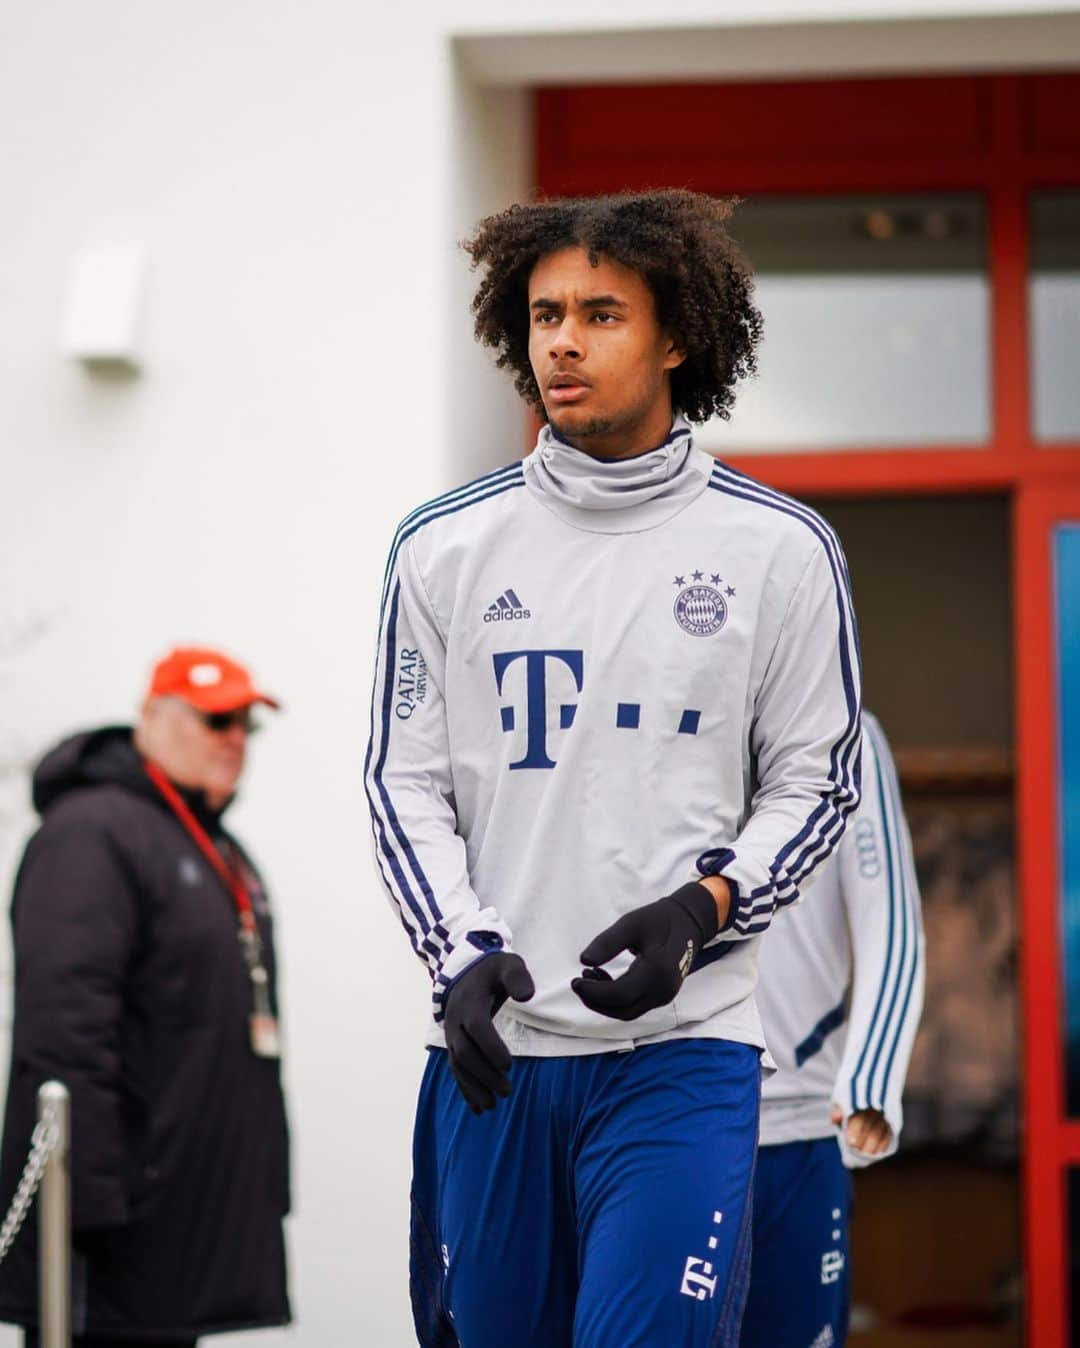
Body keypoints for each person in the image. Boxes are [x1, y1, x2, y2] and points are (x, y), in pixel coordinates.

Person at [365, 190, 862, 1348]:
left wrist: (706, 906)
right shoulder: (441, 547)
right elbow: (404, 784)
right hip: (496, 1058)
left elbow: (816, 778)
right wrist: (459, 950)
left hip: (682, 1054)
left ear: (677, 334)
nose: (563, 343)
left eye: (599, 313)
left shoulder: (780, 550)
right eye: (543, 315)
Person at [0, 647, 291, 1348]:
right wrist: (83, 1210)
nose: (233, 739)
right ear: (151, 719)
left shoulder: (215, 848)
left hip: (180, 1233)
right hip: (111, 1238)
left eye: (244, 725)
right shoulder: (93, 831)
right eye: (216, 718)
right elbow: (64, 1023)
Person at [741, 711, 926, 1348]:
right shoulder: (639, 704)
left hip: (796, 1125)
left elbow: (892, 922)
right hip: (657, 1118)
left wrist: (871, 1082)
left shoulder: (844, 731)